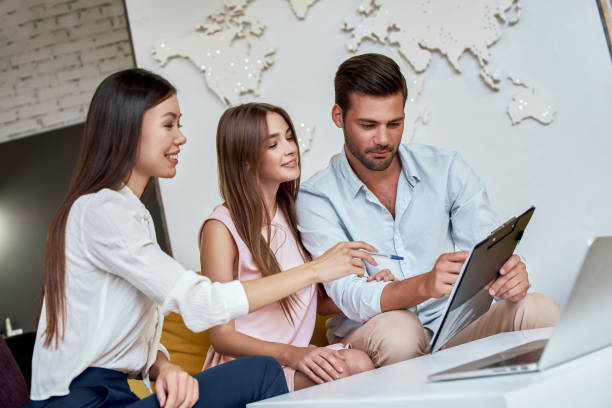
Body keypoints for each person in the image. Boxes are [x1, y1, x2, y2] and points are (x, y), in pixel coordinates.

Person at [28, 69, 376, 408]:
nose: (180, 137)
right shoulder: (101, 210)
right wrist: (315, 270)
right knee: (262, 372)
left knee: (273, 372)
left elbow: (123, 337)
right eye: (168, 124)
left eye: (178, 125)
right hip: (81, 400)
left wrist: (164, 367)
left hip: (117, 394)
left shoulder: (130, 214)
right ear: (128, 130)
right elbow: (203, 304)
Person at [295, 53, 560, 368]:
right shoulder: (315, 198)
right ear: (338, 116)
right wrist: (423, 285)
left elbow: (485, 248)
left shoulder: (446, 169)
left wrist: (509, 274)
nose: (383, 139)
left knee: (538, 310)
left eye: (394, 123)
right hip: (375, 334)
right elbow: (346, 296)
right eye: (368, 125)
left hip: (454, 328)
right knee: (400, 333)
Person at [199, 103, 395, 392]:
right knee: (355, 366)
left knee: (360, 364)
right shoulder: (220, 228)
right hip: (249, 370)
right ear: (244, 160)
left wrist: (369, 288)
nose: (290, 149)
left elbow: (312, 302)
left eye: (289, 138)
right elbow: (221, 337)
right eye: (273, 144)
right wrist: (294, 354)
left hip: (291, 360)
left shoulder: (291, 214)